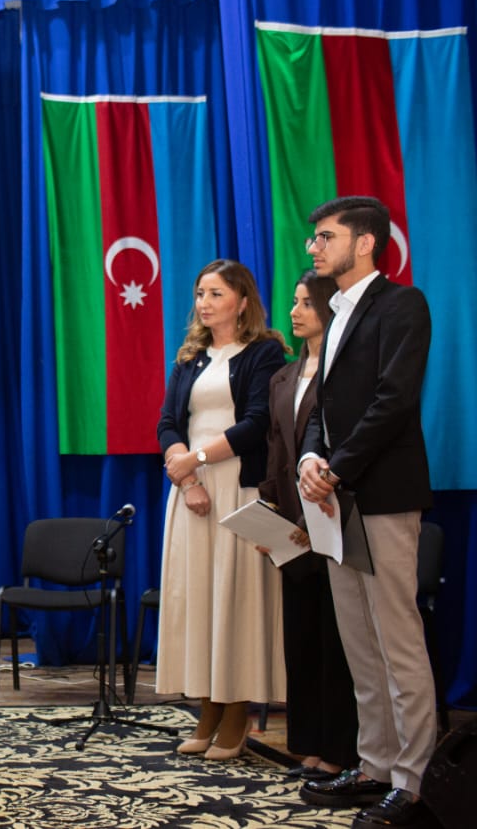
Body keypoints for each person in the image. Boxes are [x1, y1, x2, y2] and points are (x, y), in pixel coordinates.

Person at [296, 197, 436, 829]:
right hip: (335, 500)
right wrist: (311, 457)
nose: (314, 247)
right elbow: (322, 408)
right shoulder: (337, 312)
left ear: (365, 243)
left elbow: (394, 400)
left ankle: (412, 782)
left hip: (381, 493)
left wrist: (337, 468)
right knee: (358, 640)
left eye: (326, 237)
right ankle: (375, 764)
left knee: (397, 640)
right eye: (314, 238)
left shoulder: (402, 304)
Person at [156, 259, 287, 761]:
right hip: (192, 494)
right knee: (200, 601)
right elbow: (168, 423)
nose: (203, 303)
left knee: (235, 601)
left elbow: (257, 422)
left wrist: (199, 459)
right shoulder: (190, 357)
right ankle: (207, 708)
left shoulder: (263, 352)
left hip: (238, 488)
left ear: (242, 301)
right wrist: (188, 477)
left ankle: (237, 713)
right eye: (200, 293)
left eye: (215, 293)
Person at [258, 270, 358, 782]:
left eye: (305, 303)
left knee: (335, 641)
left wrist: (306, 516)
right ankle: (308, 747)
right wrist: (269, 513)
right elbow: (276, 447)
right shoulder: (284, 376)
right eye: (294, 302)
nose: (294, 312)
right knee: (300, 637)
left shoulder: (344, 371)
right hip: (290, 528)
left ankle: (339, 750)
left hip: (331, 518)